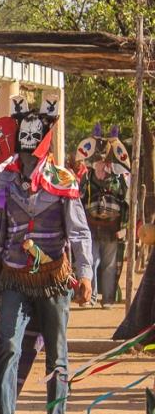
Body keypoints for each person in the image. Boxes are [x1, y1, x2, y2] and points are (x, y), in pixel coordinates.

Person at [0, 94, 92, 414]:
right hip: (14, 277)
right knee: (9, 348)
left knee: (57, 356)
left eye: (34, 148)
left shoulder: (64, 181)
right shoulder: (3, 182)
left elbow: (78, 233)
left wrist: (85, 273)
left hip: (53, 279)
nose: (28, 158)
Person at [79, 125, 130, 307]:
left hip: (112, 229)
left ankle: (107, 299)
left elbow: (127, 204)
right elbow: (79, 202)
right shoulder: (86, 178)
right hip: (91, 228)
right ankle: (90, 297)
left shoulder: (120, 179)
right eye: (99, 161)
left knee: (108, 266)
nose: (102, 165)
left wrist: (124, 228)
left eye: (105, 161)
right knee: (91, 262)